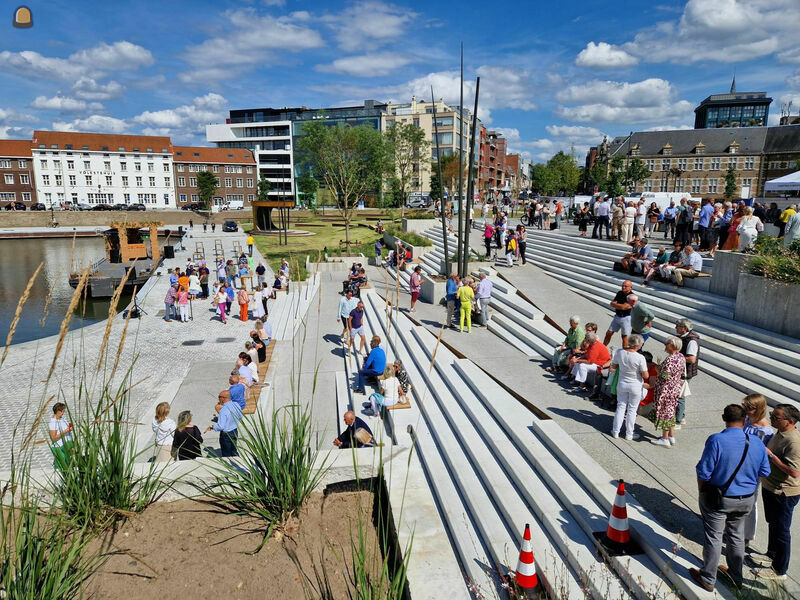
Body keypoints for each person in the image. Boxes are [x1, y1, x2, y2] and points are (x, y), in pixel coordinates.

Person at [690, 404, 770, 592]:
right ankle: (736, 577)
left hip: (720, 498)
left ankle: (708, 578)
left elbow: (704, 472)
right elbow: (765, 471)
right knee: (736, 536)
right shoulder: (757, 442)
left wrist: (702, 492)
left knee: (714, 537)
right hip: (746, 499)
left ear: (723, 418)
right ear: (745, 420)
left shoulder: (717, 440)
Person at [755, 404, 800, 581]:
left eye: (776, 417)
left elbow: (795, 472)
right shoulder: (780, 433)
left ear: (790, 421)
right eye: (772, 415)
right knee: (773, 523)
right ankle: (771, 554)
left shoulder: (794, 441)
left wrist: (771, 456)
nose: (771, 418)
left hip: (784, 492)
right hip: (771, 487)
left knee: (782, 530)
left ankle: (779, 570)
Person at [741, 394, 776, 550]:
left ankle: (747, 535)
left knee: (750, 502)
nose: (745, 410)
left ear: (758, 408)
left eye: (749, 407)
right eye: (745, 406)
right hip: (739, 464)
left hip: (752, 470)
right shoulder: (747, 420)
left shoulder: (765, 430)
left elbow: (763, 454)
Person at [609, 334, 648, 440]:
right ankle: (629, 434)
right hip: (635, 385)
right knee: (632, 410)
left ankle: (615, 431)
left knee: (620, 407)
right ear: (638, 345)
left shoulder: (619, 352)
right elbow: (645, 375)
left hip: (622, 383)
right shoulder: (640, 357)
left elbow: (613, 366)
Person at [650, 337, 686, 447]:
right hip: (675, 388)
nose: (665, 345)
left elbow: (664, 376)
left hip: (666, 389)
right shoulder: (681, 357)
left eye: (667, 343)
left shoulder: (670, 359)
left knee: (665, 412)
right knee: (671, 412)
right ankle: (671, 436)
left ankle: (665, 438)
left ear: (673, 346)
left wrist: (657, 370)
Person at [675, 318, 700, 428]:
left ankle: (678, 421)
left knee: (680, 396)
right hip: (681, 370)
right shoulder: (684, 337)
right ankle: (682, 415)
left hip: (686, 372)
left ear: (684, 328)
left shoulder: (691, 341)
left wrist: (676, 357)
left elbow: (691, 359)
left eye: (678, 326)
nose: (676, 328)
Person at [205, 390, 243, 457]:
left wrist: (212, 427)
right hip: (234, 430)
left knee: (226, 454)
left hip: (226, 434)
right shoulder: (236, 404)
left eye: (219, 397)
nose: (218, 398)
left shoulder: (224, 410)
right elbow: (240, 416)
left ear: (223, 398)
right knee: (234, 450)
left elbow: (221, 426)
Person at [602, 280, 633, 349]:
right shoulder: (619, 293)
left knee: (624, 336)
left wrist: (616, 305)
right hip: (617, 316)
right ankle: (603, 348)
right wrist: (619, 306)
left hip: (626, 318)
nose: (623, 287)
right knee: (609, 333)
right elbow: (612, 303)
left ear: (630, 287)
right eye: (622, 285)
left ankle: (625, 352)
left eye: (625, 286)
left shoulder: (632, 296)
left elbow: (624, 307)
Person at [49, 402, 74, 470]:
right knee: (62, 468)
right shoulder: (53, 422)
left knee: (68, 466)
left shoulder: (62, 419)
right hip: (59, 447)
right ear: (59, 411)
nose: (64, 412)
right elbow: (53, 438)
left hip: (66, 446)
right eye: (63, 411)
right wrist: (65, 431)